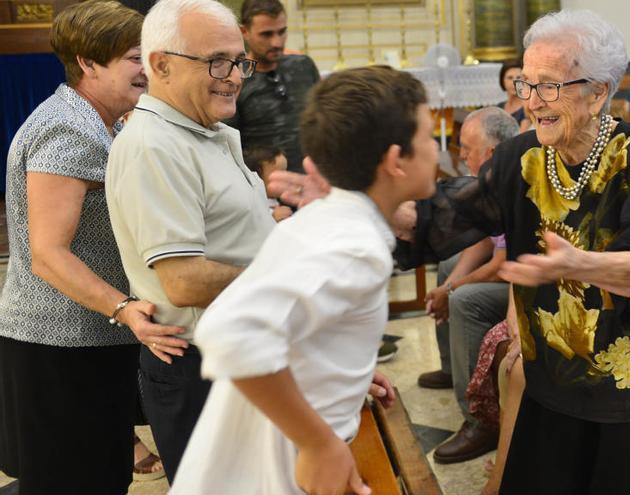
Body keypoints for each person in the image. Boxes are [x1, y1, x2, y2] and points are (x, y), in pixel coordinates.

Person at [392, 9, 630, 492]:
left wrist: (583, 265)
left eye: (549, 86)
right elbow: (453, 216)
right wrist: (372, 204)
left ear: (598, 92)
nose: (532, 102)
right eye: (526, 85)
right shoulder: (521, 157)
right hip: (551, 382)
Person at [170, 65, 434, 495]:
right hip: (275, 474)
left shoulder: (328, 217)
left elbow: (294, 323)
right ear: (394, 160)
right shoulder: (356, 246)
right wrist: (318, 444)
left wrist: (342, 370)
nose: (434, 150)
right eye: (425, 137)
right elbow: (233, 332)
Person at [0, 1, 182, 492]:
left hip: (87, 335)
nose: (145, 67)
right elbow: (48, 254)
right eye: (131, 56)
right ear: (88, 62)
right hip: (61, 342)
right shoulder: (68, 129)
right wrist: (123, 307)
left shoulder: (102, 121)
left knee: (98, 475)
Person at [105, 0, 276, 482]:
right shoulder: (154, 147)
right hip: (203, 370)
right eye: (217, 62)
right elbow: (181, 280)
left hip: (237, 356)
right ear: (160, 64)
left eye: (240, 61)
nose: (236, 76)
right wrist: (284, 274)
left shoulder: (205, 130)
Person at [474, 207, 630, 495]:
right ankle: (515, 467)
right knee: (527, 361)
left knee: (530, 371)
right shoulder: (624, 213)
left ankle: (507, 478)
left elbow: (627, 318)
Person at [420, 106, 518, 464]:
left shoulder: (512, 180)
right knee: (449, 266)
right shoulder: (490, 180)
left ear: (491, 153)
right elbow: (484, 239)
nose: (461, 157)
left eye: (466, 149)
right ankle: (452, 367)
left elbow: (502, 264)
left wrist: (453, 291)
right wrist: (452, 281)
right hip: (507, 267)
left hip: (529, 280)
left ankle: (480, 421)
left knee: (466, 299)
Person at [227, 0, 320, 173]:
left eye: (282, 31)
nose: (277, 42)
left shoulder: (303, 66)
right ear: (244, 32)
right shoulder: (234, 79)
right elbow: (229, 147)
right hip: (264, 188)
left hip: (313, 179)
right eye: (266, 34)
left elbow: (324, 123)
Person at [243, 147, 294, 222]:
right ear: (257, 178)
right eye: (278, 175)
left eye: (286, 171)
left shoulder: (282, 200)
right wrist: (271, 219)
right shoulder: (253, 207)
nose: (286, 177)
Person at [497, 59, 530, 131]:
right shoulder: (499, 107)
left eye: (518, 77)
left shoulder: (527, 109)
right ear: (502, 80)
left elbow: (521, 138)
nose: (514, 82)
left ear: (524, 80)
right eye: (510, 78)